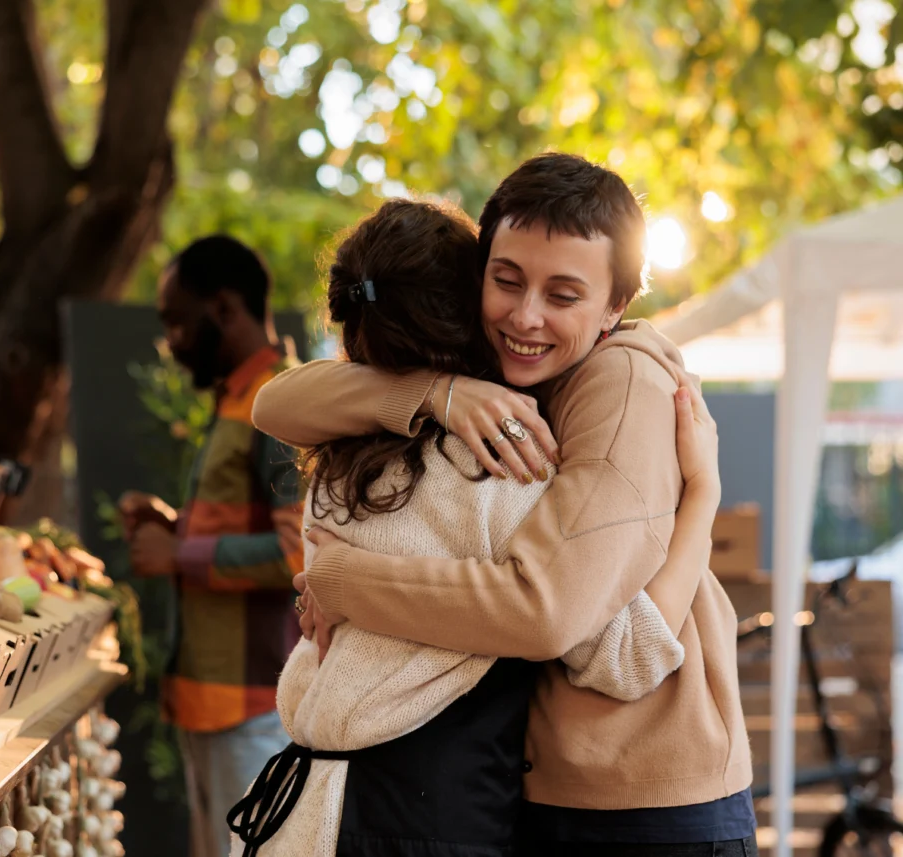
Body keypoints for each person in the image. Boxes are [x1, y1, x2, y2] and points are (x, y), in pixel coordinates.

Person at [252, 154, 757, 856]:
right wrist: (435, 393)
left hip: (641, 796)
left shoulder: (621, 386)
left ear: (617, 305)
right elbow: (275, 403)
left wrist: (343, 581)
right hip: (540, 790)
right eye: (507, 280)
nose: (525, 315)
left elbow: (550, 610)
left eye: (564, 294)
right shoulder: (490, 399)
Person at [120, 235, 304, 857]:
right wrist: (175, 525)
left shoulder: (277, 403)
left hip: (253, 709)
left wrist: (179, 556)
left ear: (224, 308)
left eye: (176, 319)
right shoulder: (236, 397)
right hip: (212, 704)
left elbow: (300, 556)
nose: (169, 339)